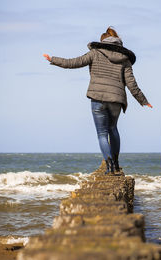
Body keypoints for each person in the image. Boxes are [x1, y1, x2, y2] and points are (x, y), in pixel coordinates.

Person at [43, 27, 152, 175]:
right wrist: (143, 101)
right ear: (117, 41)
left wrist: (53, 59)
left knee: (102, 134)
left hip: (97, 98)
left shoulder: (95, 53)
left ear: (103, 41)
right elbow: (132, 84)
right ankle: (117, 165)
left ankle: (110, 168)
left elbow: (74, 62)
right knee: (113, 129)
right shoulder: (125, 59)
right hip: (116, 99)